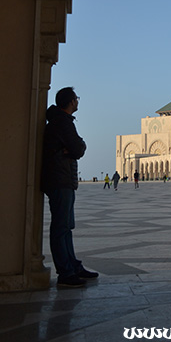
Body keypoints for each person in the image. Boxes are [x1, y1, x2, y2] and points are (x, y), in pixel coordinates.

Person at [41, 87, 99, 288]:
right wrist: (75, 148)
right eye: (77, 98)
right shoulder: (62, 122)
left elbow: (74, 148)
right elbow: (79, 147)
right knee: (60, 227)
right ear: (71, 102)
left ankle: (72, 265)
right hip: (60, 179)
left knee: (66, 226)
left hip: (63, 179)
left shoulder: (60, 122)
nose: (78, 102)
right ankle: (65, 272)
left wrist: (74, 148)